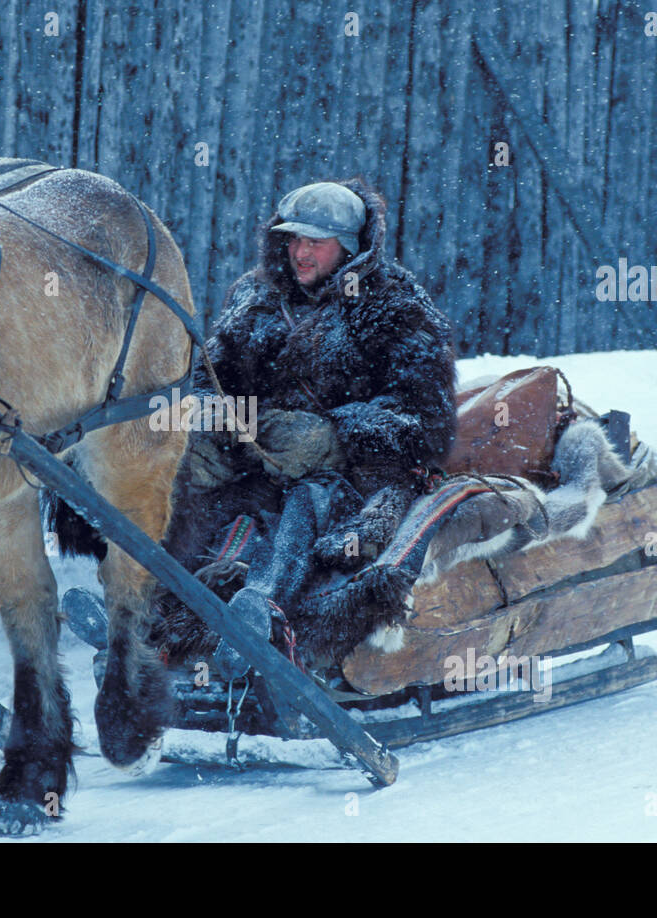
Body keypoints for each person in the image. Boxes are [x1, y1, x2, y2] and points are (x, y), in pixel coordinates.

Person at [150, 178, 459, 671]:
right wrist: (216, 415)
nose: (299, 252)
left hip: (350, 479)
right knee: (182, 481)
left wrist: (333, 434)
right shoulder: (254, 297)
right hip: (256, 464)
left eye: (315, 241)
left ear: (351, 247)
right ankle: (147, 609)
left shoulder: (396, 305)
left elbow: (427, 421)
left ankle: (260, 610)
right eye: (293, 238)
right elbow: (211, 374)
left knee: (309, 498)